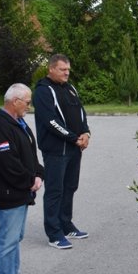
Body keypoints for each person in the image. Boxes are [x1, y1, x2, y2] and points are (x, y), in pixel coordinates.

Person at [0, 84, 44, 274]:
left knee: (16, 236)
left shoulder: (19, 123)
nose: (30, 106)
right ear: (15, 101)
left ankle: (13, 272)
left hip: (20, 192)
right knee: (7, 238)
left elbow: (30, 153)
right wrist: (29, 180)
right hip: (7, 194)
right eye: (27, 102)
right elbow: (8, 163)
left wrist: (38, 173)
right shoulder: (1, 127)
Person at [33, 54, 91, 249]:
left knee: (70, 187)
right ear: (51, 69)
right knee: (55, 190)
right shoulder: (43, 91)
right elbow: (50, 121)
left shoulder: (70, 88)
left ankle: (66, 224)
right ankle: (54, 232)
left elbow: (81, 112)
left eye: (68, 70)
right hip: (56, 150)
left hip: (74, 148)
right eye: (62, 69)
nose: (67, 73)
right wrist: (73, 138)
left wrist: (85, 133)